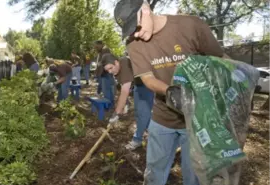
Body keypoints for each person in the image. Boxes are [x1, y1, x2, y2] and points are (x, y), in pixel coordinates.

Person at [114, 1, 230, 185]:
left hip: (198, 121)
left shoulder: (191, 26)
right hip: (162, 119)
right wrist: (170, 91)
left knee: (193, 176)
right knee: (153, 173)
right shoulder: (134, 45)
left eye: (135, 26)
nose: (135, 34)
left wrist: (238, 85)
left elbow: (221, 61)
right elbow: (148, 79)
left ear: (146, 9)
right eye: (129, 31)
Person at [102, 53, 154, 150]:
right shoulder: (117, 70)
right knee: (139, 113)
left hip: (148, 84)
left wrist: (116, 113)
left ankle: (137, 139)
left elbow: (125, 91)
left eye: (110, 68)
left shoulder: (124, 63)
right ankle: (155, 136)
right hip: (139, 85)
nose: (109, 72)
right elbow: (123, 88)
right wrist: (124, 104)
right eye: (107, 70)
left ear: (116, 62)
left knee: (143, 113)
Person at [93, 40, 115, 106]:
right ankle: (110, 103)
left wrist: (100, 69)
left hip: (105, 72)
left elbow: (104, 61)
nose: (96, 48)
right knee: (106, 89)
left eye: (96, 46)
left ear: (100, 44)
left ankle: (108, 105)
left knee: (106, 90)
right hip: (103, 72)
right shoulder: (101, 51)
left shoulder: (105, 50)